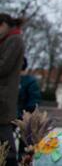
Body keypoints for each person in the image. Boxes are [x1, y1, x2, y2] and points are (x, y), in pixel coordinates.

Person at [0, 13, 25, 166]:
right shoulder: (8, 39)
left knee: (4, 131)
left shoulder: (14, 40)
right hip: (3, 93)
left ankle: (10, 162)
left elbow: (4, 66)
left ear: (3, 25)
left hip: (3, 95)